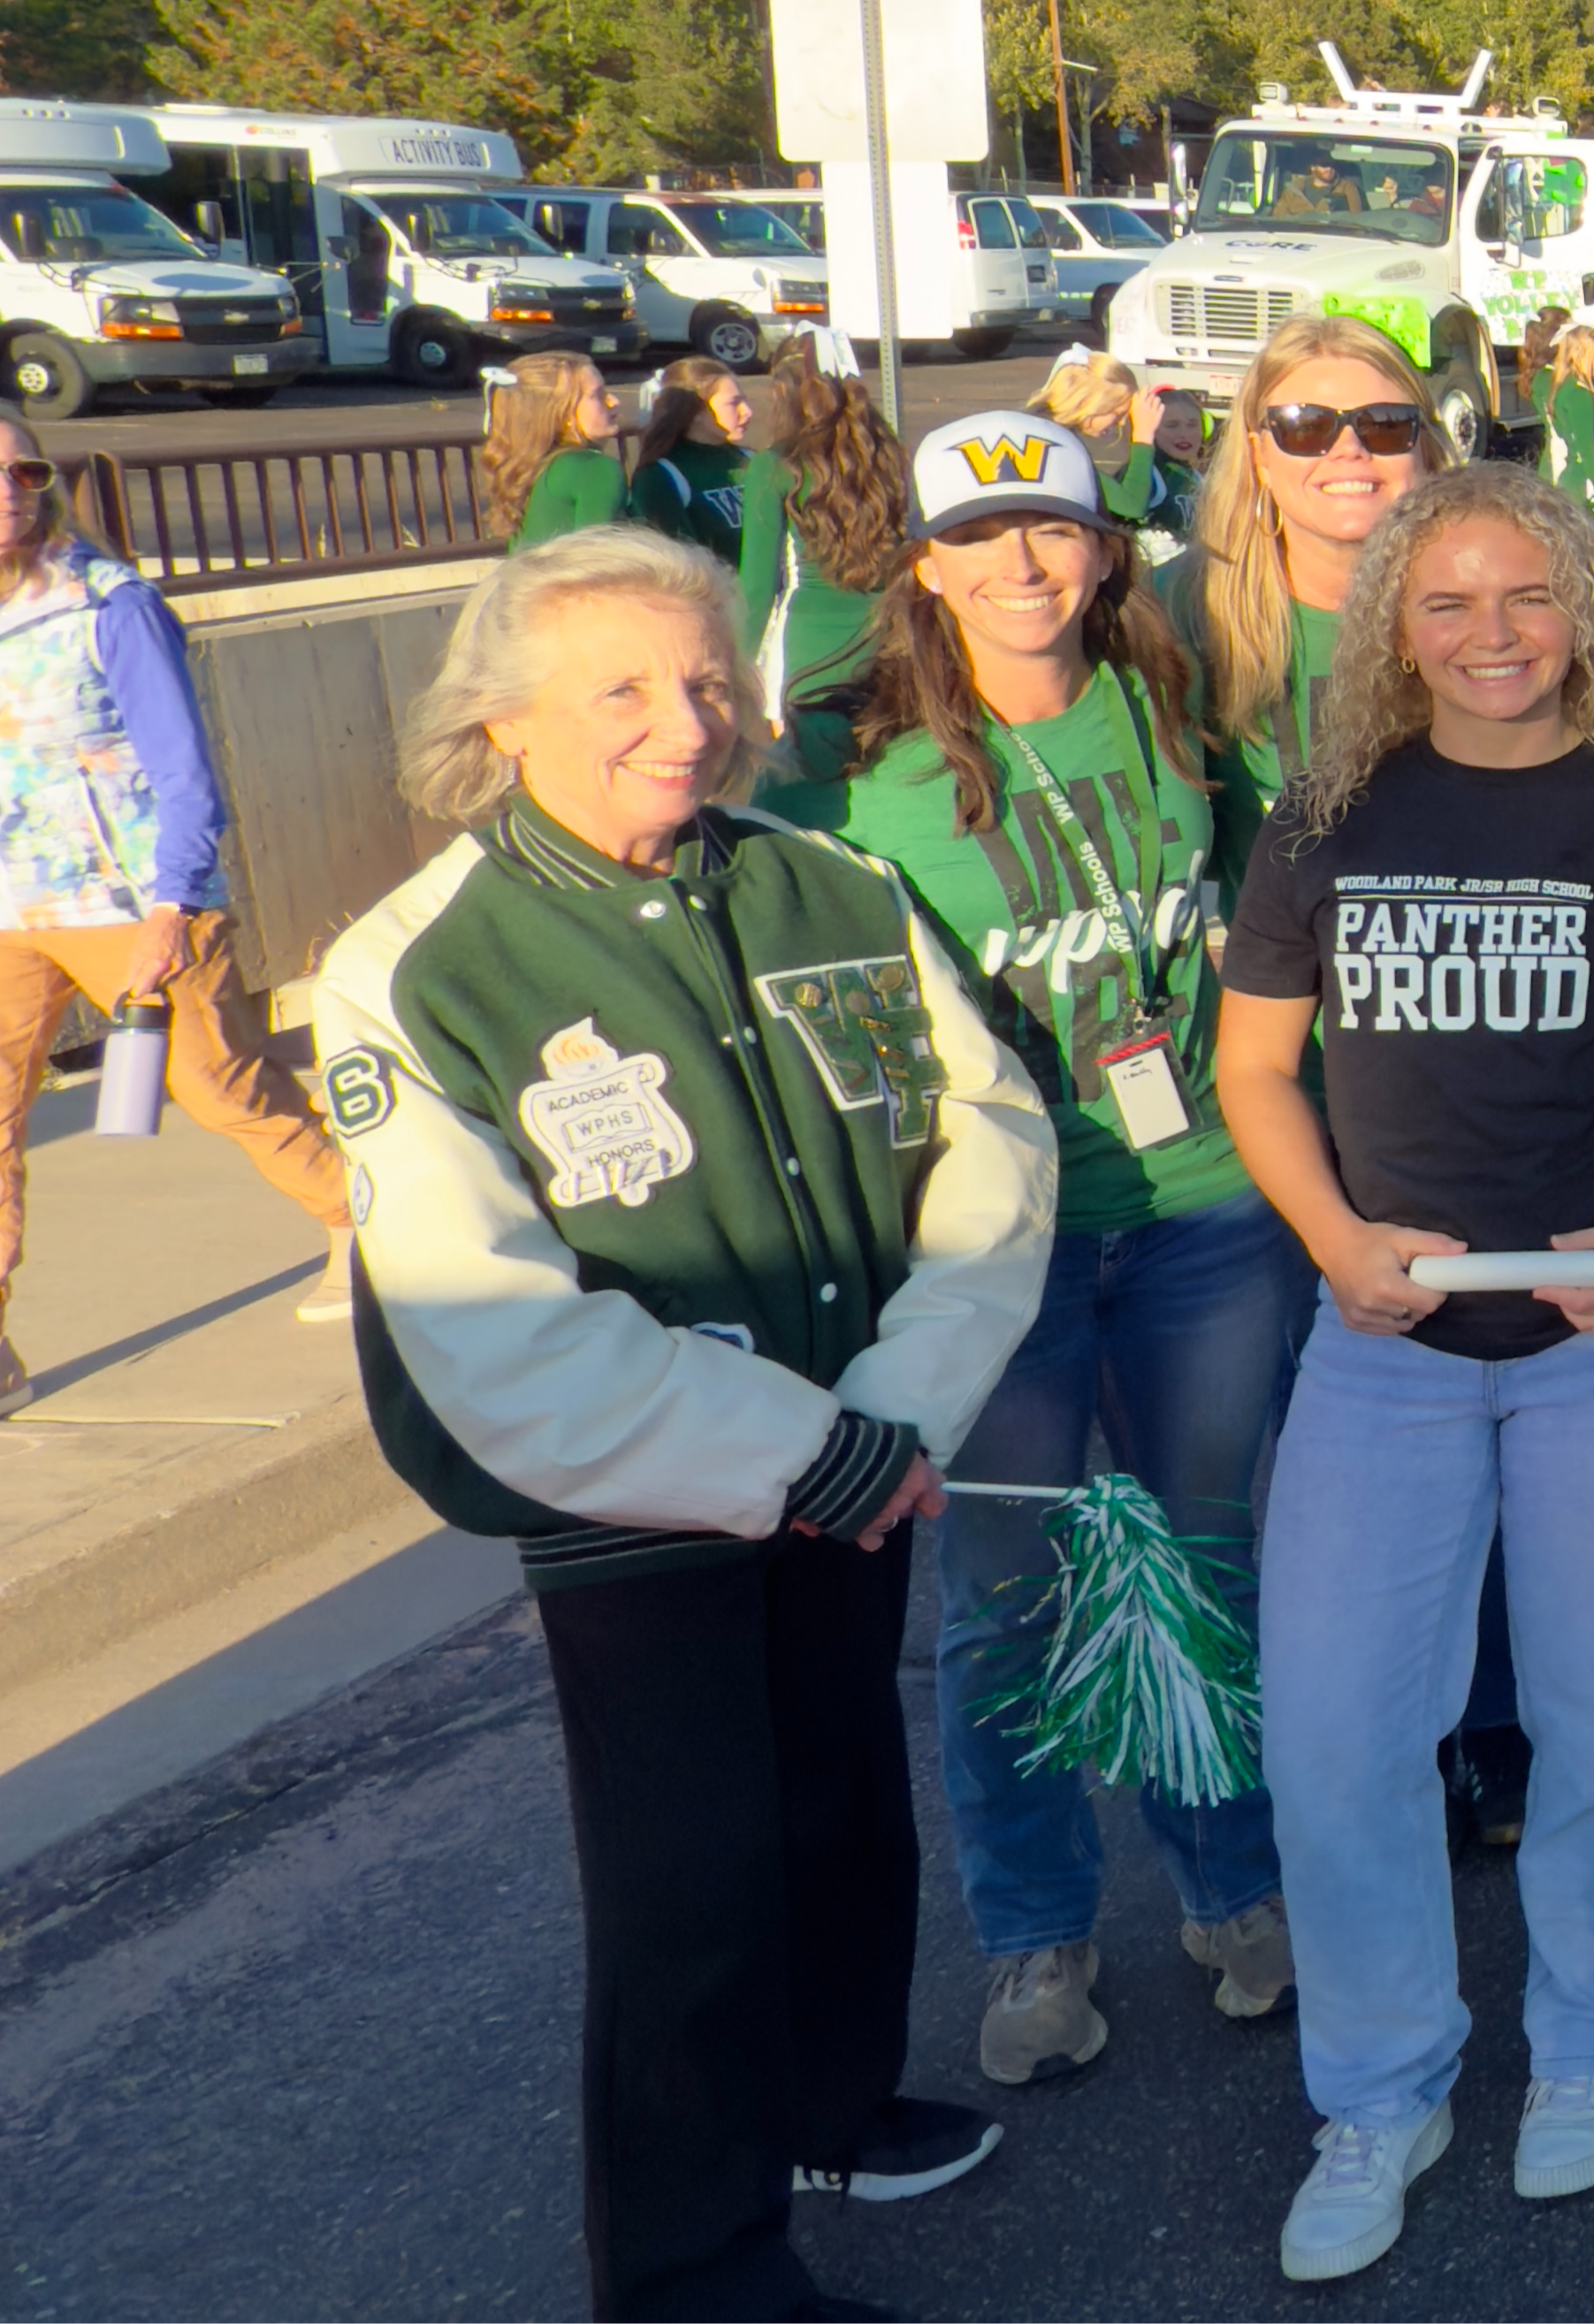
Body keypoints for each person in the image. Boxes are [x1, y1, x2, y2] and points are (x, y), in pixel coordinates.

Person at [323, 527, 1054, 2320]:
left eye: (709, 678)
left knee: (839, 1814)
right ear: (501, 722)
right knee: (690, 1883)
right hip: (636, 1495)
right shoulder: (417, 968)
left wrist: (890, 1411)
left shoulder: (830, 885)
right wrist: (795, 1447)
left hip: (857, 1450)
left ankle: (821, 2107)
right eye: (625, 689)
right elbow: (481, 1306)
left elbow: (994, 1139)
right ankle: (688, 2267)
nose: (689, 720)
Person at [1213, 462, 1594, 2282]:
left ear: (1584, 612)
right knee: (1338, 1736)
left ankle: (1588, 2046)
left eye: (1526, 597)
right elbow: (1254, 1073)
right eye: (1445, 602)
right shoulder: (1327, 813)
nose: (1491, 635)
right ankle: (1381, 2087)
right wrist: (1330, 1243)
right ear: (1393, 623)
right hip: (1384, 1339)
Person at [764, 411, 1307, 2093]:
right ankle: (1036, 1931)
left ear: (1101, 552)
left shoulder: (1179, 719)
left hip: (1204, 1214)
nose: (1021, 565)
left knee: (1203, 1567)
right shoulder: (851, 773)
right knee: (1010, 1600)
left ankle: (1233, 1886)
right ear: (924, 566)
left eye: (1052, 532)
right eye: (981, 538)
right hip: (994, 1250)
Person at [0, 420, 351, 1415]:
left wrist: (173, 906)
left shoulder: (109, 604)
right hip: (8, 912)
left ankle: (366, 1219)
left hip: (128, 901)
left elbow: (184, 771)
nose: (14, 490)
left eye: (26, 471)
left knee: (218, 1086)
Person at [1164, 314, 1452, 817]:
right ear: (1259, 457)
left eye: (1384, 424)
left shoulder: (1495, 609)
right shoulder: (1178, 606)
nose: (1349, 450)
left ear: (1423, 448)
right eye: (1305, 426)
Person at [747, 355, 916, 786]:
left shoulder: (775, 465)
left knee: (813, 776)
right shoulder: (890, 455)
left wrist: (735, 668)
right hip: (891, 629)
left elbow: (757, 583)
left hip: (811, 645)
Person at [486, 351, 629, 544]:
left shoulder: (525, 468)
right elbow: (598, 562)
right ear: (563, 414)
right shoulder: (594, 468)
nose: (613, 401)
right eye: (597, 395)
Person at [625, 357, 754, 560]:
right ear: (696, 412)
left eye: (745, 400)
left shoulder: (751, 460)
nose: (747, 411)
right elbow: (678, 560)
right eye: (734, 403)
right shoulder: (661, 475)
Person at [1037, 350, 1177, 534]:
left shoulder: (1040, 427)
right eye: (1117, 413)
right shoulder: (1057, 446)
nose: (1120, 423)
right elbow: (1132, 506)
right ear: (1091, 402)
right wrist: (1143, 436)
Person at [1531, 322, 1594, 522]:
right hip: (1582, 485)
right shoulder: (1580, 395)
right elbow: (1587, 450)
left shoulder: (1558, 385)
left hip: (1561, 477)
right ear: (1578, 355)